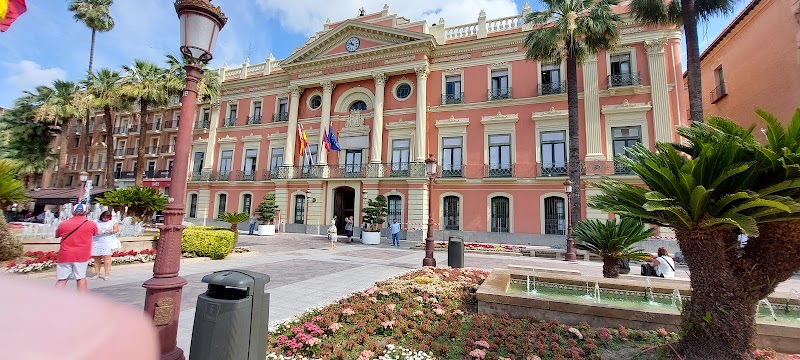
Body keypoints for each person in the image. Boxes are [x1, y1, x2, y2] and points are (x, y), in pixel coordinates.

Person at [55, 203, 99, 292]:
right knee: (81, 278)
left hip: (65, 254)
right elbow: (95, 233)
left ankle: (54, 299)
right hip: (82, 255)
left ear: (72, 212)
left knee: (62, 279)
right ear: (86, 212)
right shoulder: (91, 224)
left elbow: (57, 235)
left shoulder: (63, 224)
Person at [91, 211, 119, 280]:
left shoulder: (113, 221)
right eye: (104, 218)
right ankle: (97, 273)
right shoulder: (96, 221)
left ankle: (107, 274)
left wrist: (111, 230)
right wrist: (97, 231)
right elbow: (91, 229)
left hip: (107, 240)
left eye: (107, 218)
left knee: (107, 258)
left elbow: (116, 230)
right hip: (97, 240)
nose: (105, 219)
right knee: (96, 258)